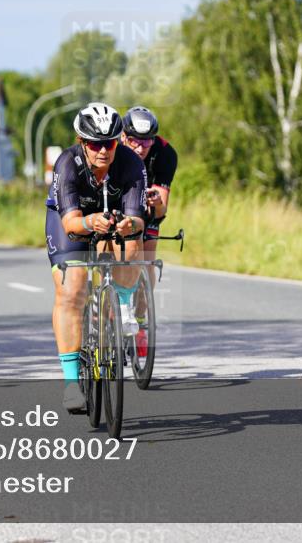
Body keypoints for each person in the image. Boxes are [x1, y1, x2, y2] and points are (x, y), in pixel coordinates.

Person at [45, 102, 147, 412]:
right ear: (82, 142)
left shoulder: (131, 163)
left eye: (110, 143)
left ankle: (123, 304)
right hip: (72, 221)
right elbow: (71, 224)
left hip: (111, 217)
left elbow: (139, 219)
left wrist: (130, 225)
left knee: (132, 242)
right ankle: (71, 383)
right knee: (72, 290)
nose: (103, 150)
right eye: (95, 144)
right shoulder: (67, 163)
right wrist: (91, 222)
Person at [120, 106, 178, 343]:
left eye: (146, 142)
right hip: (118, 203)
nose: (141, 147)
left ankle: (140, 320)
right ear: (123, 136)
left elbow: (162, 210)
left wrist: (156, 203)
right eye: (135, 141)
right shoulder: (112, 148)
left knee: (146, 261)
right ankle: (104, 306)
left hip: (147, 211)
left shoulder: (165, 153)